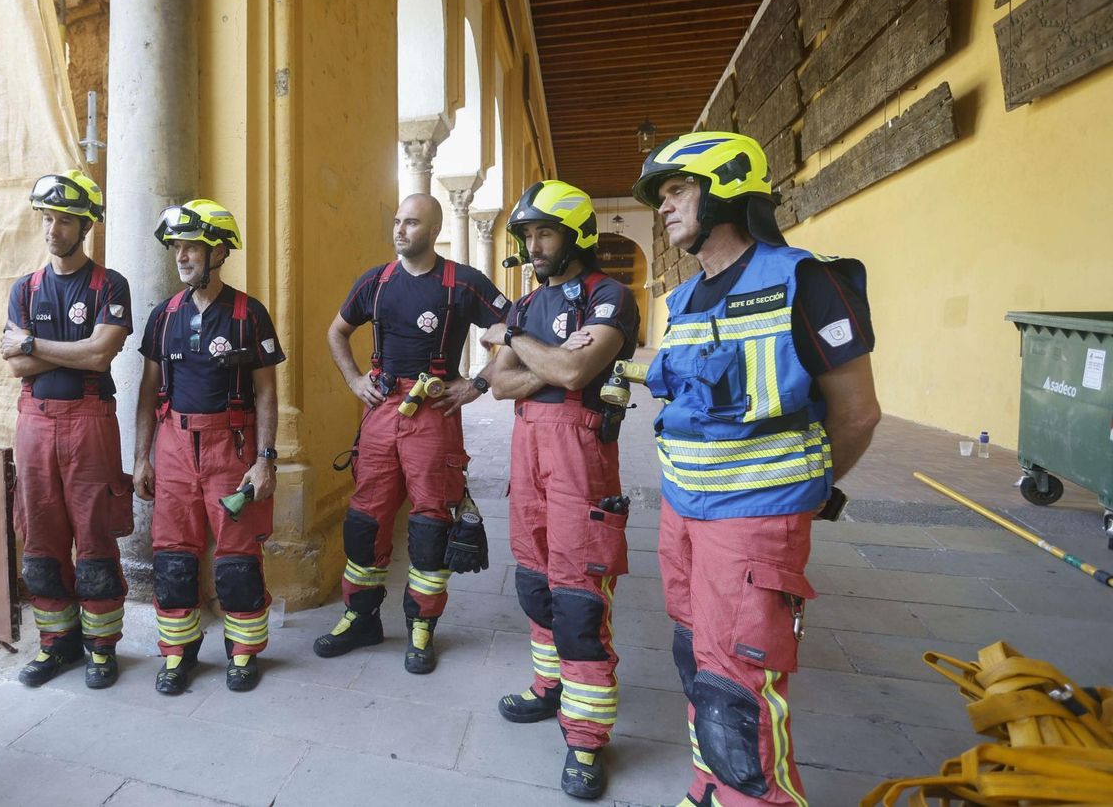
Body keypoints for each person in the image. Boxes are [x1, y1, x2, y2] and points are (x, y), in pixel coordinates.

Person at [633, 132, 879, 807]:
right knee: (699, 666)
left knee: (736, 695)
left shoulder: (807, 280)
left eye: (677, 190)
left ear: (725, 191)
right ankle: (708, 790)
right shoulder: (682, 302)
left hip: (754, 522)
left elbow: (857, 414)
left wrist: (808, 492)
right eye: (661, 197)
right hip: (683, 514)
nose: (665, 208)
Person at [480, 180, 640, 801]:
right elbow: (499, 385)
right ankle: (550, 688)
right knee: (535, 581)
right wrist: (543, 360)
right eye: (527, 235)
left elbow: (576, 370)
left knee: (578, 599)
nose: (533, 245)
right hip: (529, 453)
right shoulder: (528, 303)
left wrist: (517, 343)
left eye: (544, 233)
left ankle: (586, 736)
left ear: (576, 235)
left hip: (581, 458)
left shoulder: (610, 295)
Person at [316, 192, 507, 673]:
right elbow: (336, 332)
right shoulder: (377, 283)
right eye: (398, 221)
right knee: (365, 519)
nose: (400, 230)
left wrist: (478, 383)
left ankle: (421, 627)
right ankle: (360, 617)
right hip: (381, 410)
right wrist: (355, 380)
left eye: (412, 223)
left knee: (429, 524)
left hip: (434, 413)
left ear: (435, 229)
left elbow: (513, 327)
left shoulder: (461, 282)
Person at [133, 199, 284, 695]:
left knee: (238, 558)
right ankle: (178, 653)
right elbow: (148, 390)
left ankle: (243, 653)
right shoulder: (163, 316)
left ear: (219, 251)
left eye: (192, 246)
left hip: (231, 447)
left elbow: (266, 391)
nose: (182, 255)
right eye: (177, 246)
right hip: (175, 445)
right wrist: (141, 457)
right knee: (174, 557)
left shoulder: (249, 315)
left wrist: (265, 461)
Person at [0, 171, 134, 689]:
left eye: (64, 220)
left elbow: (100, 355)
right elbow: (15, 369)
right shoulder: (25, 289)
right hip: (33, 422)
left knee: (94, 532)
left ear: (86, 225)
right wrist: (59, 353)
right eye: (47, 218)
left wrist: (32, 346)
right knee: (39, 533)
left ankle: (102, 647)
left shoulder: (109, 285)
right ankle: (57, 643)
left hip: (90, 421)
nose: (53, 229)